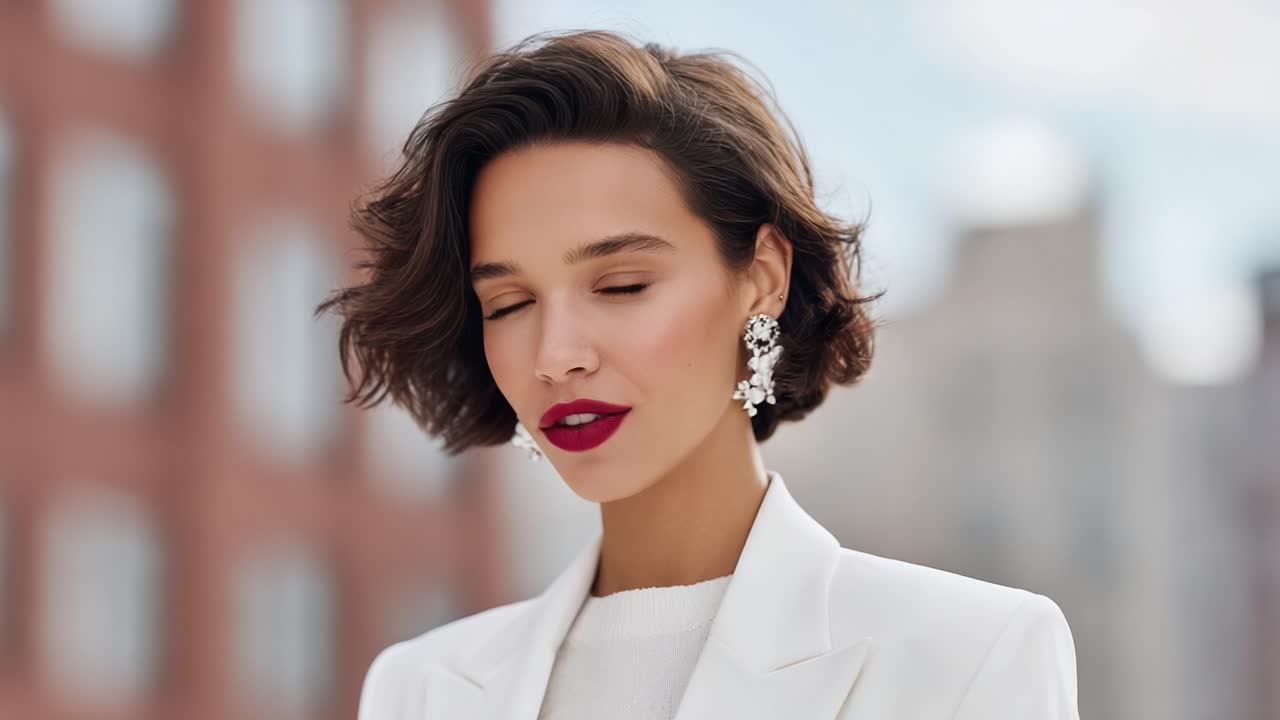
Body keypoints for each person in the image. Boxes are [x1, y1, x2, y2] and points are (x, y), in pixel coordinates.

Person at [319, 29, 1079, 720]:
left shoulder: (969, 657)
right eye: (510, 302)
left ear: (762, 277)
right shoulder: (421, 688)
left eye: (621, 286)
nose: (556, 353)